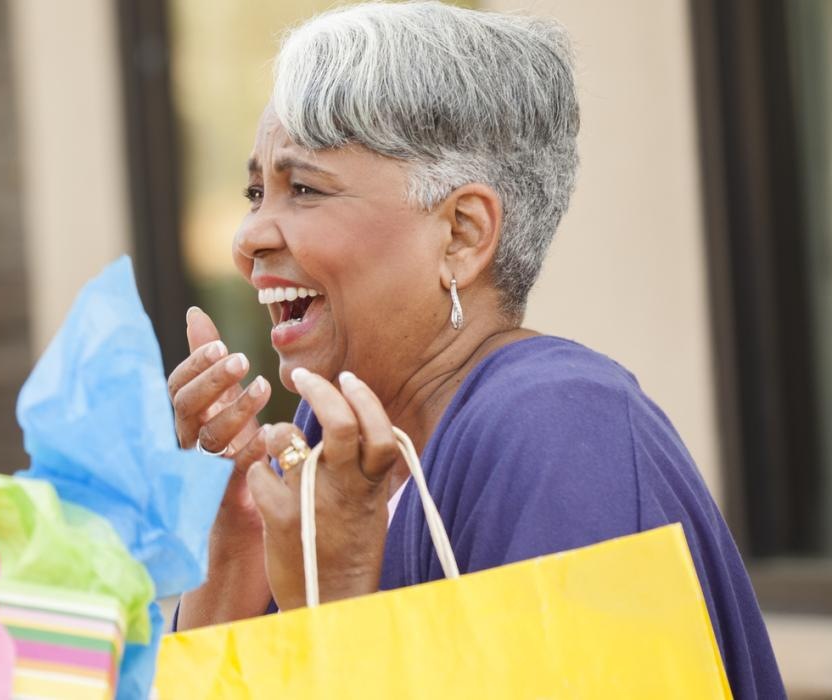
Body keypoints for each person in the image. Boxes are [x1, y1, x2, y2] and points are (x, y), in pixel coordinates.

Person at [165, 3, 783, 696]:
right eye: (256, 191)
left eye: (303, 188)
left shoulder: (563, 432)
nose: (247, 238)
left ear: (461, 233)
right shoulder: (319, 447)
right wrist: (235, 538)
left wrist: (337, 595)